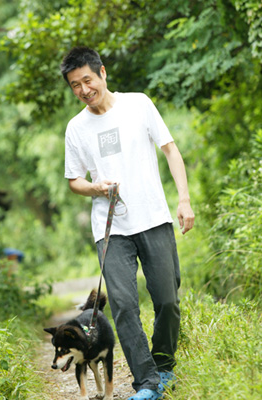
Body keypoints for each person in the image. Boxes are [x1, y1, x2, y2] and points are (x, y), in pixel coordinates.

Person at [61, 46, 194, 400]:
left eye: (87, 80)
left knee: (167, 300)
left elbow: (170, 149)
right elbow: (74, 180)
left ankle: (164, 365)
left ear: (102, 73)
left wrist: (183, 199)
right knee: (123, 306)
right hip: (110, 229)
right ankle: (147, 382)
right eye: (75, 85)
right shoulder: (76, 129)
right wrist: (95, 187)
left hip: (152, 218)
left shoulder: (138, 104)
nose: (83, 90)